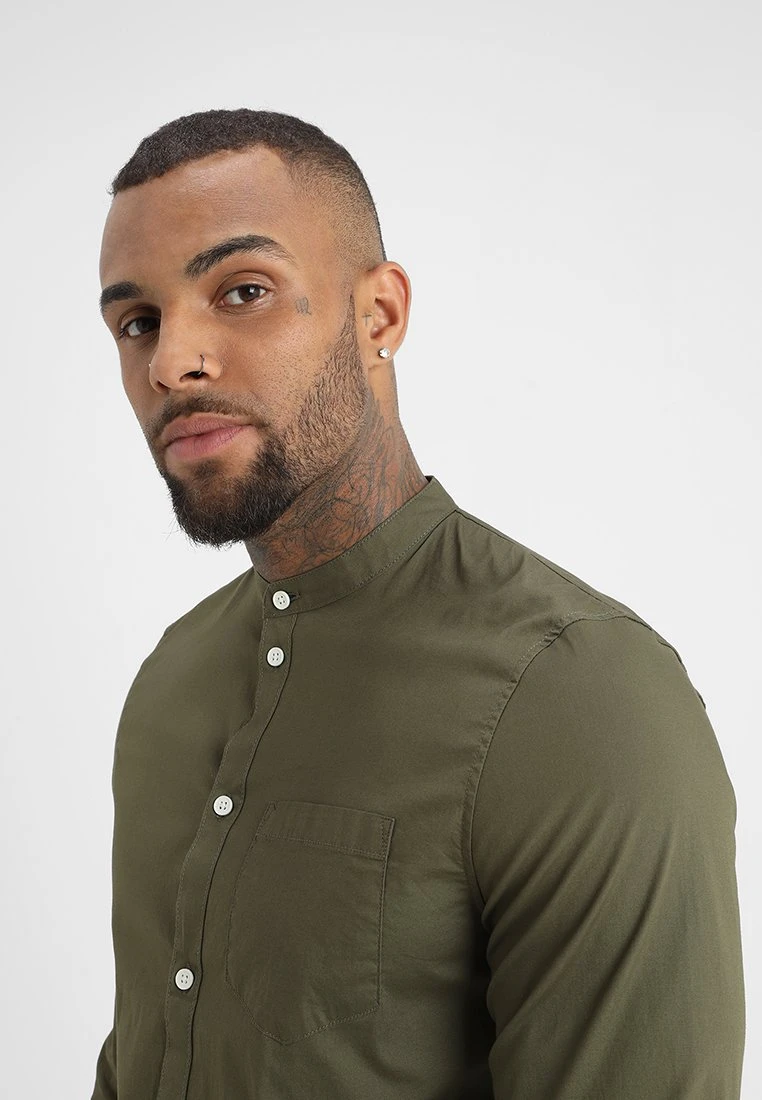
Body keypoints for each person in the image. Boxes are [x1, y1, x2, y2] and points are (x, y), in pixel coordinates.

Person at [91, 108, 745, 1100]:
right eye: (137, 320)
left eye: (243, 291)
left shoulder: (582, 699)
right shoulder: (171, 682)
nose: (170, 360)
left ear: (379, 316)